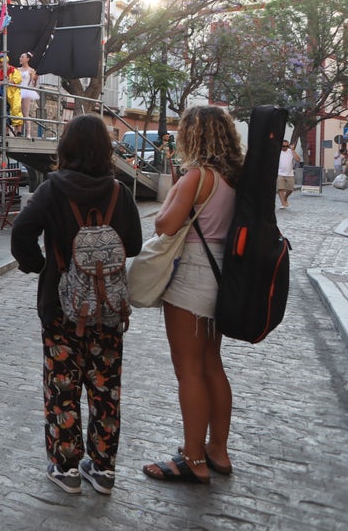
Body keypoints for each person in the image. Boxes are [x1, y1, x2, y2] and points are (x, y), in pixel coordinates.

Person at [10, 114, 143, 495]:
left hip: (60, 304)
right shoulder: (119, 192)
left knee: (62, 386)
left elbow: (22, 232)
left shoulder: (52, 189)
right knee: (106, 388)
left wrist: (39, 264)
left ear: (65, 147)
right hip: (107, 307)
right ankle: (102, 468)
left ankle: (66, 467)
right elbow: (134, 243)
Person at [142, 105, 243, 484]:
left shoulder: (198, 177)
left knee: (189, 370)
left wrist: (175, 194)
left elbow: (165, 225)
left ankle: (193, 458)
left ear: (192, 136)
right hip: (224, 275)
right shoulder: (236, 178)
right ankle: (218, 449)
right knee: (212, 364)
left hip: (192, 277)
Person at [18, 52, 39, 137]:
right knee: (17, 110)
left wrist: (35, 79)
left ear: (27, 59)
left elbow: (33, 83)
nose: (20, 58)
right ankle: (17, 131)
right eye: (20, 57)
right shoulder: (17, 69)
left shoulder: (31, 70)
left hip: (26, 90)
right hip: (18, 90)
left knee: (25, 112)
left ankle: (28, 132)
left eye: (22, 57)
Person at [277, 138, 301, 209]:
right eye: (283, 146)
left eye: (287, 146)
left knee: (290, 189)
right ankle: (283, 204)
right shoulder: (277, 151)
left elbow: (298, 159)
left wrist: (293, 150)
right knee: (280, 189)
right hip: (279, 173)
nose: (285, 147)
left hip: (289, 173)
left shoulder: (291, 151)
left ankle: (285, 198)